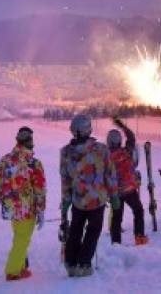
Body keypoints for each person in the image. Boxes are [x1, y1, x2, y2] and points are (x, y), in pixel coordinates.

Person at [60, 114, 119, 277]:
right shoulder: (101, 150)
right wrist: (114, 195)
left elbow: (65, 179)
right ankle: (84, 264)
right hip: (97, 200)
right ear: (88, 129)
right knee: (93, 231)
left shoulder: (65, 153)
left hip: (78, 200)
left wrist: (65, 200)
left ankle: (71, 263)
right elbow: (110, 174)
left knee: (76, 230)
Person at [0, 126, 46, 282]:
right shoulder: (33, 163)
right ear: (30, 141)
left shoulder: (5, 159)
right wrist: (41, 209)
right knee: (22, 239)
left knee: (18, 237)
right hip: (26, 209)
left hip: (11, 208)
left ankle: (21, 267)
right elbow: (40, 188)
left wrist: (5, 200)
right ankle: (13, 271)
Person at [107, 116, 148, 246]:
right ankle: (139, 237)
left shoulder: (106, 157)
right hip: (130, 190)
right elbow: (131, 137)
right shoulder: (127, 151)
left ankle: (116, 242)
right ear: (119, 141)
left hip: (116, 192)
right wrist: (122, 126)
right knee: (138, 211)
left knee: (117, 218)